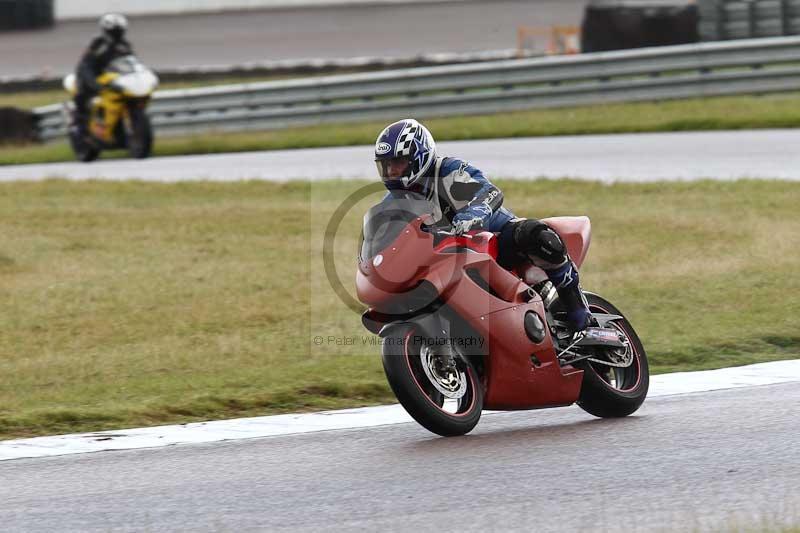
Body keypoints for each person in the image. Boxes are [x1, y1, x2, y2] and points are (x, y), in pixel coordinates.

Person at [374, 118, 593, 334]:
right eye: (387, 165)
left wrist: (472, 214)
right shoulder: (392, 204)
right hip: (445, 265)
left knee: (535, 235)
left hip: (493, 243)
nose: (391, 171)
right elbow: (385, 241)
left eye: (398, 163)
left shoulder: (450, 170)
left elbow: (489, 192)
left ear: (418, 158)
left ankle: (581, 316)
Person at [72, 13, 133, 136]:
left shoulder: (125, 45)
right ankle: (79, 126)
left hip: (115, 78)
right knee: (82, 94)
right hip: (94, 76)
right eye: (115, 31)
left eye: (119, 31)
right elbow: (85, 65)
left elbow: (132, 62)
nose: (117, 34)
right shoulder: (98, 44)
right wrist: (93, 83)